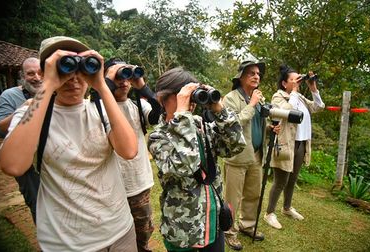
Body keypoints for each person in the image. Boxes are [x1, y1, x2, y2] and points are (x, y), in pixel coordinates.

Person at [0, 36, 139, 251]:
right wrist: (48, 85)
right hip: (68, 243)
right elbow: (13, 165)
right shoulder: (31, 114)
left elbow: (129, 150)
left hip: (120, 231)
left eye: (80, 68)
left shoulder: (99, 109)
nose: (73, 78)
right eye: (63, 68)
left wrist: (100, 83)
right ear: (45, 73)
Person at [148, 67, 246, 251]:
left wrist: (219, 110)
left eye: (192, 96)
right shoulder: (158, 137)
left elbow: (235, 146)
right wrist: (182, 116)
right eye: (182, 96)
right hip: (183, 231)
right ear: (162, 99)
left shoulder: (202, 126)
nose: (190, 103)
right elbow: (185, 165)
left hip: (212, 222)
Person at [104, 58, 161, 252]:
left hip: (138, 183)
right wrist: (107, 81)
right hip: (110, 187)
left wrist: (142, 86)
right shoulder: (97, 107)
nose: (124, 82)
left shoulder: (137, 105)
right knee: (115, 236)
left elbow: (158, 115)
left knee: (144, 230)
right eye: (118, 76)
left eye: (127, 76)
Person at [222, 60, 280, 251]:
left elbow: (257, 124)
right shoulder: (230, 98)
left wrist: (270, 128)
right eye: (252, 73)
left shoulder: (259, 99)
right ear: (241, 77)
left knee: (253, 194)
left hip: (256, 154)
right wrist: (252, 103)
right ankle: (229, 232)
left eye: (258, 74)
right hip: (238, 156)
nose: (257, 76)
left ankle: (248, 225)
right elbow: (234, 124)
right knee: (233, 198)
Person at [263, 64, 325, 230]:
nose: (298, 81)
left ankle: (287, 208)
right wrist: (295, 93)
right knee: (280, 181)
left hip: (301, 143)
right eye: (294, 79)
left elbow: (318, 107)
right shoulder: (279, 96)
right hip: (285, 144)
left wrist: (313, 88)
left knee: (292, 179)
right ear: (285, 83)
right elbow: (283, 111)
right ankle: (269, 213)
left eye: (299, 78)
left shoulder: (300, 97)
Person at [0, 57, 42, 223]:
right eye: (31, 73)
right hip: (28, 168)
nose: (36, 77)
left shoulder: (55, 92)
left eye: (40, 72)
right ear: (22, 75)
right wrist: (24, 109)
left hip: (53, 159)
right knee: (39, 207)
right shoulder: (10, 95)